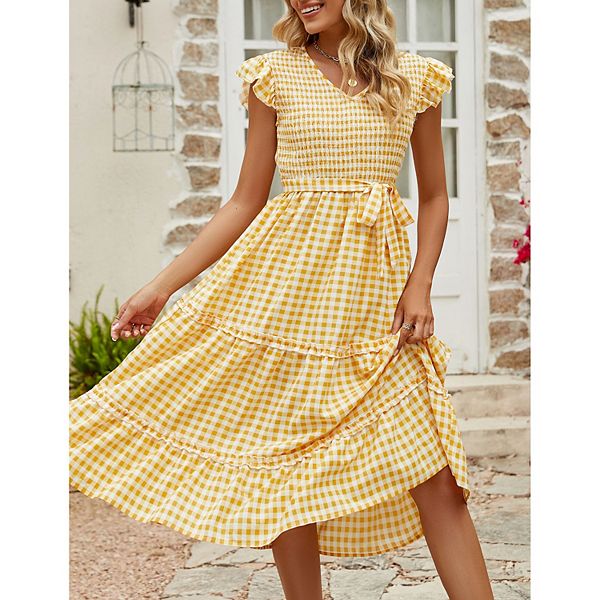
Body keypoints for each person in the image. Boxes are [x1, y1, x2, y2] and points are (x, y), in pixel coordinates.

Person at [70, 1, 495, 598]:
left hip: (377, 307)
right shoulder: (273, 75)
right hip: (285, 296)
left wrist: (420, 282)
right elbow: (245, 200)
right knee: (286, 477)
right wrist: (161, 286)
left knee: (440, 481)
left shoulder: (414, 77)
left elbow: (433, 196)